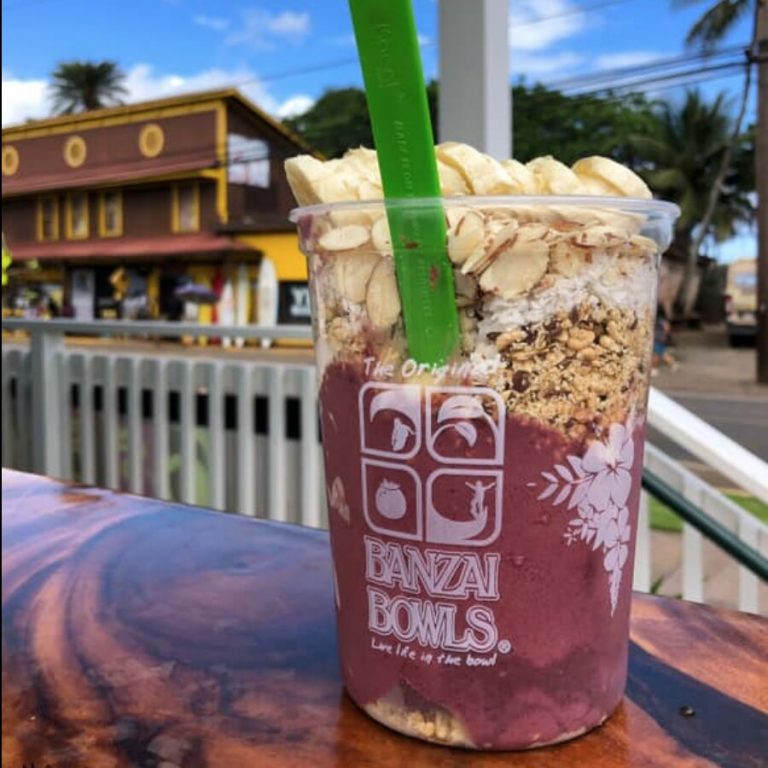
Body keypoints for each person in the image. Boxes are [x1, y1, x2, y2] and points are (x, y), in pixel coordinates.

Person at [652, 304, 677, 374]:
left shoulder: (660, 320)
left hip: (658, 339)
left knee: (657, 354)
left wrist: (665, 335)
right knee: (662, 353)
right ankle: (672, 364)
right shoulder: (660, 319)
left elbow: (667, 328)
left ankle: (654, 368)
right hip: (659, 339)